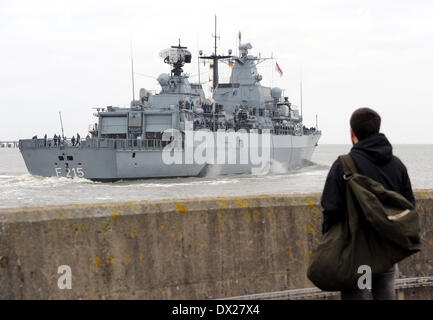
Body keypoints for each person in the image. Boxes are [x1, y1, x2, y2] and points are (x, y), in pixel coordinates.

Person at [321, 107, 415, 300]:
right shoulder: (397, 165)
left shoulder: (344, 165)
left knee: (357, 296)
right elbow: (408, 206)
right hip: (387, 252)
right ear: (377, 129)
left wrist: (334, 247)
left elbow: (331, 210)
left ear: (352, 132)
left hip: (358, 255)